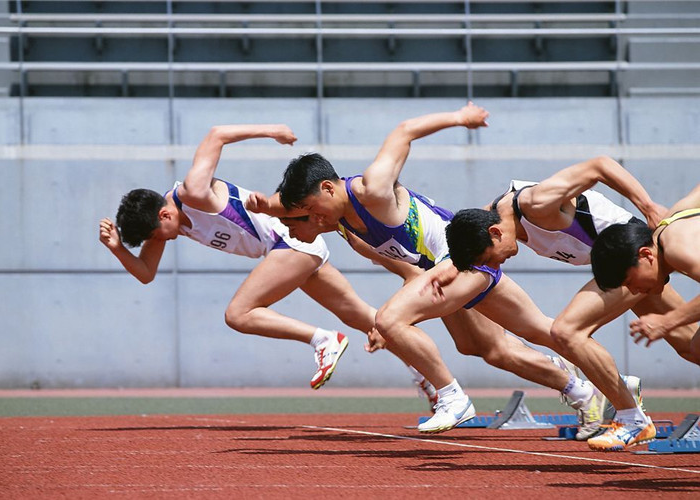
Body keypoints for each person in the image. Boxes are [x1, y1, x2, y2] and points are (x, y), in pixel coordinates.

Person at [253, 103, 605, 436]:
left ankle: (452, 398)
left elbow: (404, 131)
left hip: (464, 259)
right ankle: (592, 391)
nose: (313, 219)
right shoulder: (346, 227)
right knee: (501, 344)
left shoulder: (371, 189)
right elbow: (408, 270)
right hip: (445, 272)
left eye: (312, 209)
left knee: (389, 319)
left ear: (328, 188)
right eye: (303, 214)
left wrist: (461, 117)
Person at [98, 123, 436, 400]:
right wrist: (117, 248)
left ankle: (321, 339)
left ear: (164, 213)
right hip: (292, 251)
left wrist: (272, 131)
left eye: (159, 234)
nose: (162, 241)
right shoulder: (165, 225)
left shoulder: (193, 192)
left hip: (288, 241)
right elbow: (145, 273)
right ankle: (428, 379)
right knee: (370, 320)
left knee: (238, 314)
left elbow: (216, 134)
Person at [444, 156, 697, 451]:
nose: (496, 264)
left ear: (495, 234)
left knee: (567, 331)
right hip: (620, 270)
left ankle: (632, 418)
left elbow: (599, 166)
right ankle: (622, 393)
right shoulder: (490, 217)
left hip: (632, 259)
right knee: (689, 343)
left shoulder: (536, 203)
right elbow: (459, 255)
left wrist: (648, 205)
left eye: (490, 259)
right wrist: (439, 273)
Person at [591, 182, 700, 360]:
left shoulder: (677, 249)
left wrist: (667, 322)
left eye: (628, 282)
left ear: (645, 255)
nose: (633, 291)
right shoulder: (670, 221)